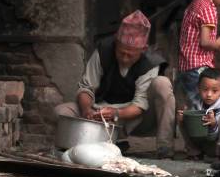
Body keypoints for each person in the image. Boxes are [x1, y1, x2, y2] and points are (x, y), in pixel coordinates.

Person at [54, 10, 176, 158]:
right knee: (61, 112)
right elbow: (86, 87)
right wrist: (86, 110)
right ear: (115, 42)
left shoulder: (150, 63)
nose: (124, 58)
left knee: (162, 83)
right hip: (99, 113)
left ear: (143, 50)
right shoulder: (103, 50)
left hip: (135, 118)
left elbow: (139, 105)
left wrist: (116, 113)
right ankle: (98, 143)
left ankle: (164, 148)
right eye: (121, 52)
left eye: (130, 55)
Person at [178, 68, 220, 159]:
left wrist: (213, 124)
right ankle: (195, 153)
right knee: (184, 118)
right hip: (208, 145)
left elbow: (213, 137)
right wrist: (185, 117)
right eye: (205, 89)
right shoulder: (196, 102)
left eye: (214, 91)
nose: (209, 94)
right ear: (198, 88)